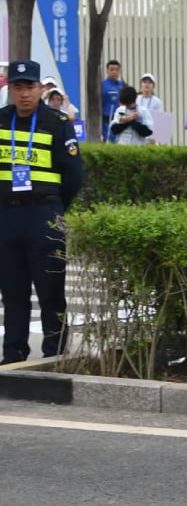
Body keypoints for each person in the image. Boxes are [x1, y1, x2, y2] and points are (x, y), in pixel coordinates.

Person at [0, 60, 83, 364]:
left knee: (50, 289)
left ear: (40, 89)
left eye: (30, 87)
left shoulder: (57, 122)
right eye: (18, 87)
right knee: (12, 290)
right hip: (6, 218)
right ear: (11, 90)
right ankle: (13, 353)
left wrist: (57, 208)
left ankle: (54, 352)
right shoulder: (0, 120)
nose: (24, 94)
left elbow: (74, 175)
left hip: (44, 216)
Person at [101, 59, 125, 142]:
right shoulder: (102, 85)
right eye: (112, 70)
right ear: (107, 71)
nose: (114, 72)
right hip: (106, 121)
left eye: (116, 70)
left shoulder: (123, 85)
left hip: (121, 120)